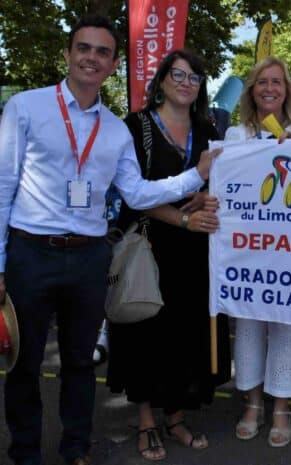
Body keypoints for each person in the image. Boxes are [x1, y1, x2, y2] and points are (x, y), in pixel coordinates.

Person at [0, 15, 220, 465]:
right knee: (24, 364)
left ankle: (76, 449)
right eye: (84, 48)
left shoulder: (116, 130)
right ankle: (24, 452)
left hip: (88, 258)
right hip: (29, 252)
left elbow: (137, 193)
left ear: (114, 63)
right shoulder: (26, 107)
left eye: (102, 52)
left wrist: (194, 175)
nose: (91, 58)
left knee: (80, 362)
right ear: (67, 54)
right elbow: (2, 187)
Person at [105, 49, 231, 461]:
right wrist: (182, 219)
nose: (185, 82)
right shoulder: (135, 127)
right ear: (161, 81)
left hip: (194, 249)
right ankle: (145, 420)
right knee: (144, 331)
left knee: (185, 334)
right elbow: (133, 193)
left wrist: (205, 201)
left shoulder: (206, 126)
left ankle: (175, 417)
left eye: (194, 77)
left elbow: (216, 187)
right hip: (149, 244)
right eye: (177, 74)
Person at [224, 57, 291, 448]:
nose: (270, 88)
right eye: (262, 82)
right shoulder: (234, 134)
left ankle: (281, 407)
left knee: (289, 324)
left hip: (290, 251)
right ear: (251, 90)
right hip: (247, 250)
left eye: (277, 82)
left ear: (286, 89)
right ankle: (253, 403)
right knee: (248, 327)